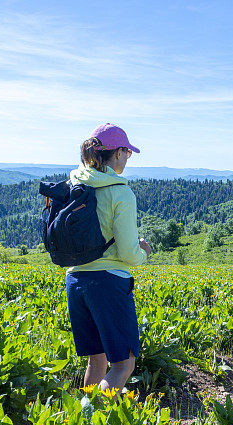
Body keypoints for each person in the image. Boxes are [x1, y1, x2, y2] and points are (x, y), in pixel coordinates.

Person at [64, 123, 152, 394]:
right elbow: (128, 253)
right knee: (124, 365)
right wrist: (144, 253)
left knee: (97, 359)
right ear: (117, 153)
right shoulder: (119, 191)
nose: (128, 157)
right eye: (127, 151)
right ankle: (92, 417)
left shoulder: (75, 183)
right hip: (108, 283)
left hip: (74, 279)